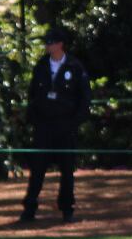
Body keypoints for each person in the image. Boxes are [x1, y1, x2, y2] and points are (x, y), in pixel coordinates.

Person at [18, 28, 92, 225]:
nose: (48, 46)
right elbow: (33, 94)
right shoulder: (42, 66)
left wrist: (75, 121)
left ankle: (67, 209)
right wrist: (33, 118)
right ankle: (29, 209)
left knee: (67, 170)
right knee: (38, 169)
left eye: (51, 42)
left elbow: (84, 98)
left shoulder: (75, 67)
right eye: (47, 42)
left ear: (60, 44)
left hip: (65, 126)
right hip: (44, 126)